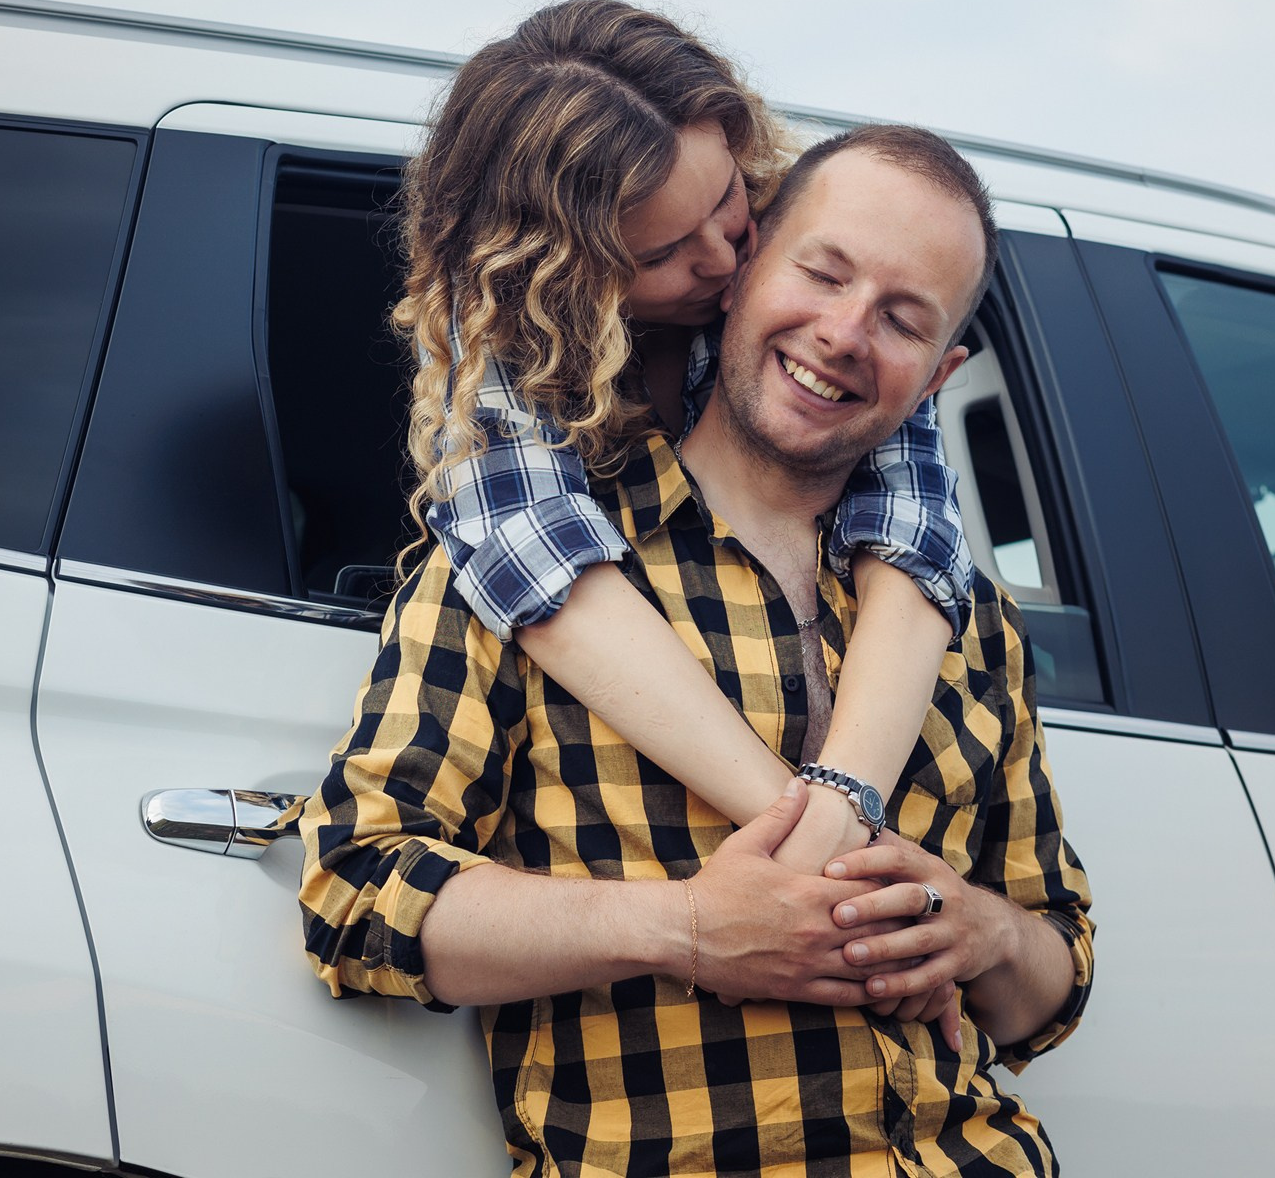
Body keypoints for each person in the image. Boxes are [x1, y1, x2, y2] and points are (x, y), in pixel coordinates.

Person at [301, 125, 1095, 1177]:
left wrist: (982, 934)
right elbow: (358, 894)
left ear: (940, 373)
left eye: (904, 321)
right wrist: (682, 927)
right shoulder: (514, 568)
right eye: (822, 272)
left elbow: (1053, 981)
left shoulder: (966, 619)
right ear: (740, 268)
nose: (846, 332)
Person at [393, 0, 973, 892]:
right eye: (665, 250)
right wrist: (818, 849)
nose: (725, 258)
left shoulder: (829, 275)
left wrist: (844, 796)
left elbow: (914, 522)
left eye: (728, 200)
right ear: (560, 268)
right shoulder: (505, 348)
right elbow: (538, 567)